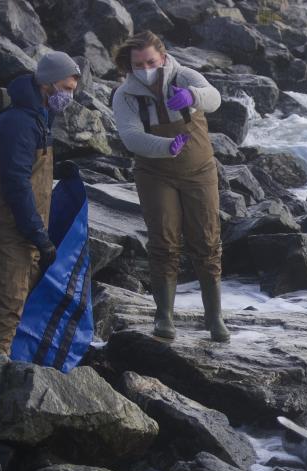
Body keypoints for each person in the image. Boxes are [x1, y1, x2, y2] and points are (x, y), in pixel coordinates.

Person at [111, 31, 228, 342]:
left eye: (151, 61)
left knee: (207, 240)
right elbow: (130, 137)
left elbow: (214, 99)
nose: (146, 67)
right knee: (163, 242)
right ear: (130, 65)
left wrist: (193, 97)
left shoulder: (184, 75)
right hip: (154, 173)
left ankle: (214, 317)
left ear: (162, 57)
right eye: (139, 64)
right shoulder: (125, 95)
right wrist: (166, 147)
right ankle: (164, 316)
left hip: (200, 171)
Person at [0, 52, 81, 359]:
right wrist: (39, 236)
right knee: (6, 307)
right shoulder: (20, 122)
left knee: (16, 304)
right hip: (8, 231)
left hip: (21, 231)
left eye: (73, 89)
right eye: (66, 87)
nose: (70, 96)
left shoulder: (38, 118)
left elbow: (29, 172)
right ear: (48, 85)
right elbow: (16, 184)